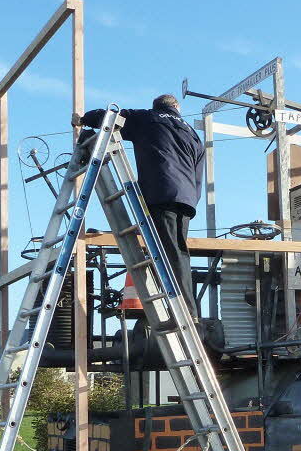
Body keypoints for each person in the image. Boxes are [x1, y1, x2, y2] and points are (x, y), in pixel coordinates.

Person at [77, 96, 205, 310]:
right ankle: (187, 309)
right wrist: (191, 200)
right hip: (186, 199)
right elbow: (198, 174)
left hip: (160, 194)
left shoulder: (148, 118)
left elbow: (109, 117)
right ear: (177, 108)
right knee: (178, 252)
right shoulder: (192, 133)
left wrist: (83, 119)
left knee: (169, 253)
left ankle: (183, 309)